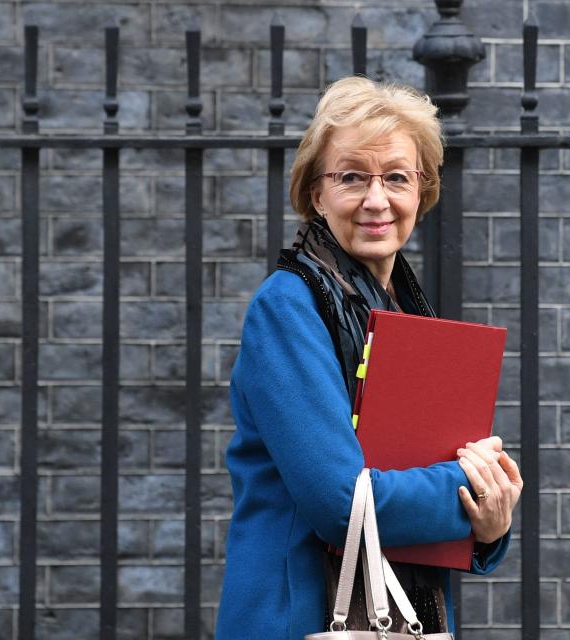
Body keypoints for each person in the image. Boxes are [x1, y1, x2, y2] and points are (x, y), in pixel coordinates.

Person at [216, 76, 523, 639]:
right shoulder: (289, 305)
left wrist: (490, 523)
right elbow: (339, 501)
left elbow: (411, 474)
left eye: (396, 178)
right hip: (299, 617)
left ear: (421, 190)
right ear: (317, 192)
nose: (376, 199)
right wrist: (471, 486)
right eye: (352, 176)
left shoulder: (405, 312)